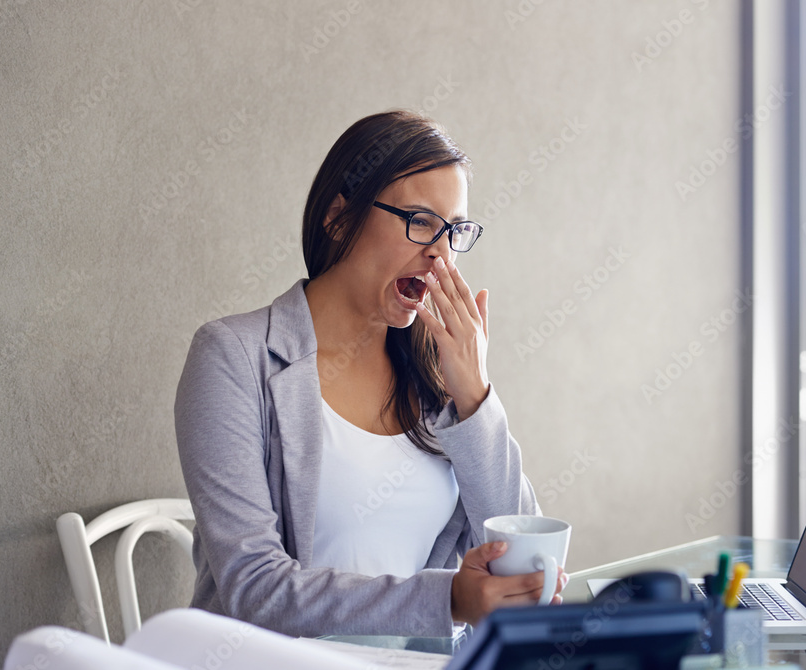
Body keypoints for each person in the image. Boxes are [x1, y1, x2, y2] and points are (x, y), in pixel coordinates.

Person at [174, 110, 562, 638]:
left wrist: (474, 397)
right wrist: (445, 598)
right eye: (420, 221)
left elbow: (522, 561)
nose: (439, 253)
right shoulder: (233, 357)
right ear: (339, 217)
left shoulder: (437, 380)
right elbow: (254, 590)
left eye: (454, 230)